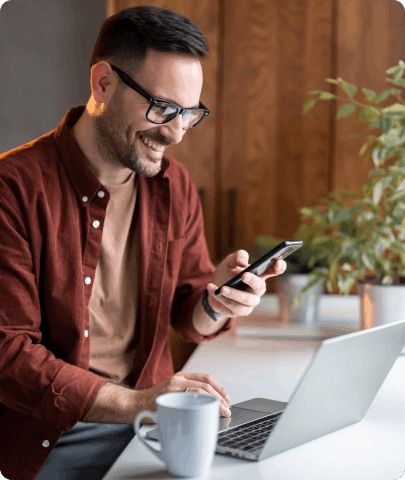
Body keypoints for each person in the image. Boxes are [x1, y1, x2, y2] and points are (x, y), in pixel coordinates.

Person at [0, 5, 286, 480]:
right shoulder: (12, 188)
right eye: (163, 108)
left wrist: (217, 299)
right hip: (51, 435)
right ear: (103, 84)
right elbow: (10, 355)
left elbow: (186, 313)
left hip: (149, 423)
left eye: (189, 113)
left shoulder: (173, 186)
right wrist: (141, 403)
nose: (175, 133)